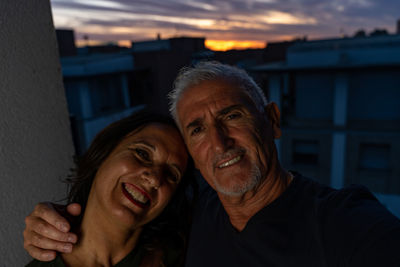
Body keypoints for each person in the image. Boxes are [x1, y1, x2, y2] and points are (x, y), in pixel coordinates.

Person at [24, 62, 400, 266]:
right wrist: (54, 223)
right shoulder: (193, 217)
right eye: (198, 129)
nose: (219, 143)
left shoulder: (346, 223)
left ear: (272, 121)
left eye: (233, 116)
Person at [25, 111, 193, 266]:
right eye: (142, 154)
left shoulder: (188, 254)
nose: (155, 179)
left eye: (171, 175)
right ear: (104, 152)